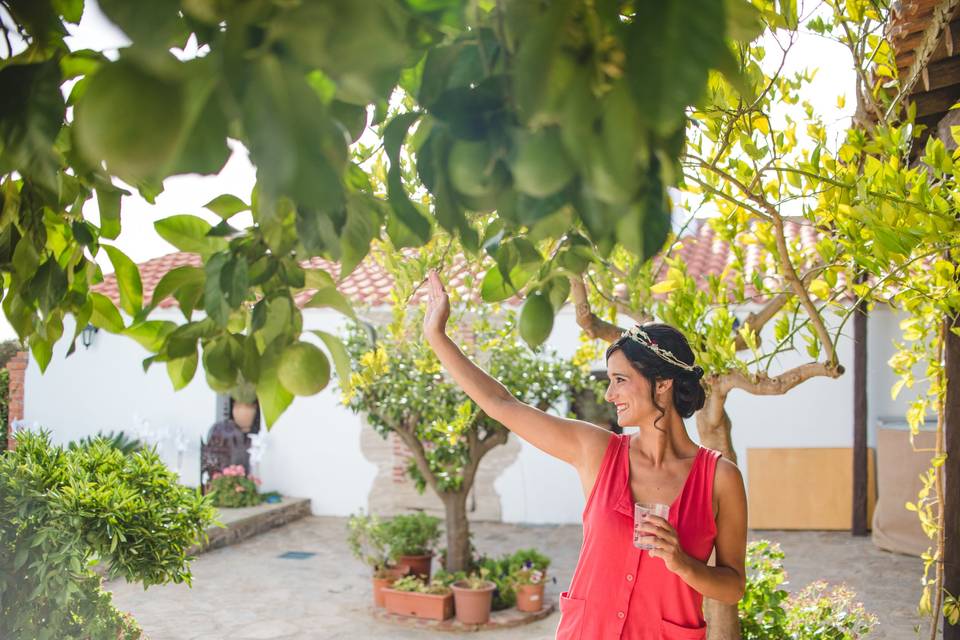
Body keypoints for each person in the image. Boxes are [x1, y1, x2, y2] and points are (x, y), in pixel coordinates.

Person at [423, 270, 747, 639]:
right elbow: (502, 404)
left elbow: (734, 585)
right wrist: (437, 337)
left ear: (662, 383)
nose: (609, 395)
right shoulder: (597, 452)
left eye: (620, 380)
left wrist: (682, 563)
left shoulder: (720, 478)